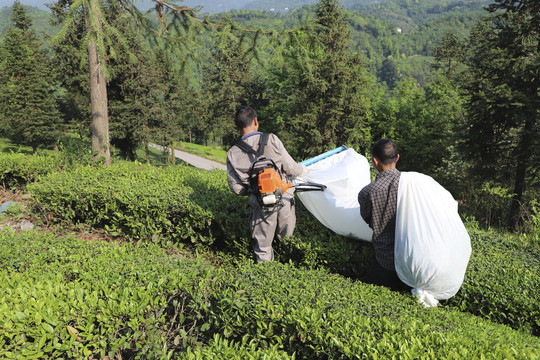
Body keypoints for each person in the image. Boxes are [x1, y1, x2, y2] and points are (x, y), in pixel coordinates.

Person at [226, 106, 308, 262]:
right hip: (284, 198)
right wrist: (303, 170)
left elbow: (236, 188)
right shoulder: (271, 139)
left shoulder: (233, 152)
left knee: (263, 248)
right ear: (256, 121)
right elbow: (291, 168)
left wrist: (255, 189)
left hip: (260, 204)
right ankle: (289, 273)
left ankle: (266, 278)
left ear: (237, 126)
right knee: (287, 242)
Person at [358, 139, 409, 291]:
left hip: (385, 263)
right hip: (412, 260)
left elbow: (369, 220)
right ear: (397, 158)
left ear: (375, 161)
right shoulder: (412, 185)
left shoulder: (367, 193)